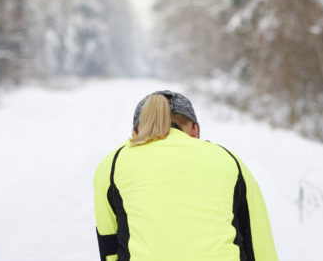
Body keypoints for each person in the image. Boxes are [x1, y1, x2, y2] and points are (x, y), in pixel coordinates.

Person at [93, 89, 279, 261]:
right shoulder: (229, 161)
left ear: (136, 131)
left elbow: (109, 245)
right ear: (194, 130)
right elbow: (258, 240)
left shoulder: (113, 163)